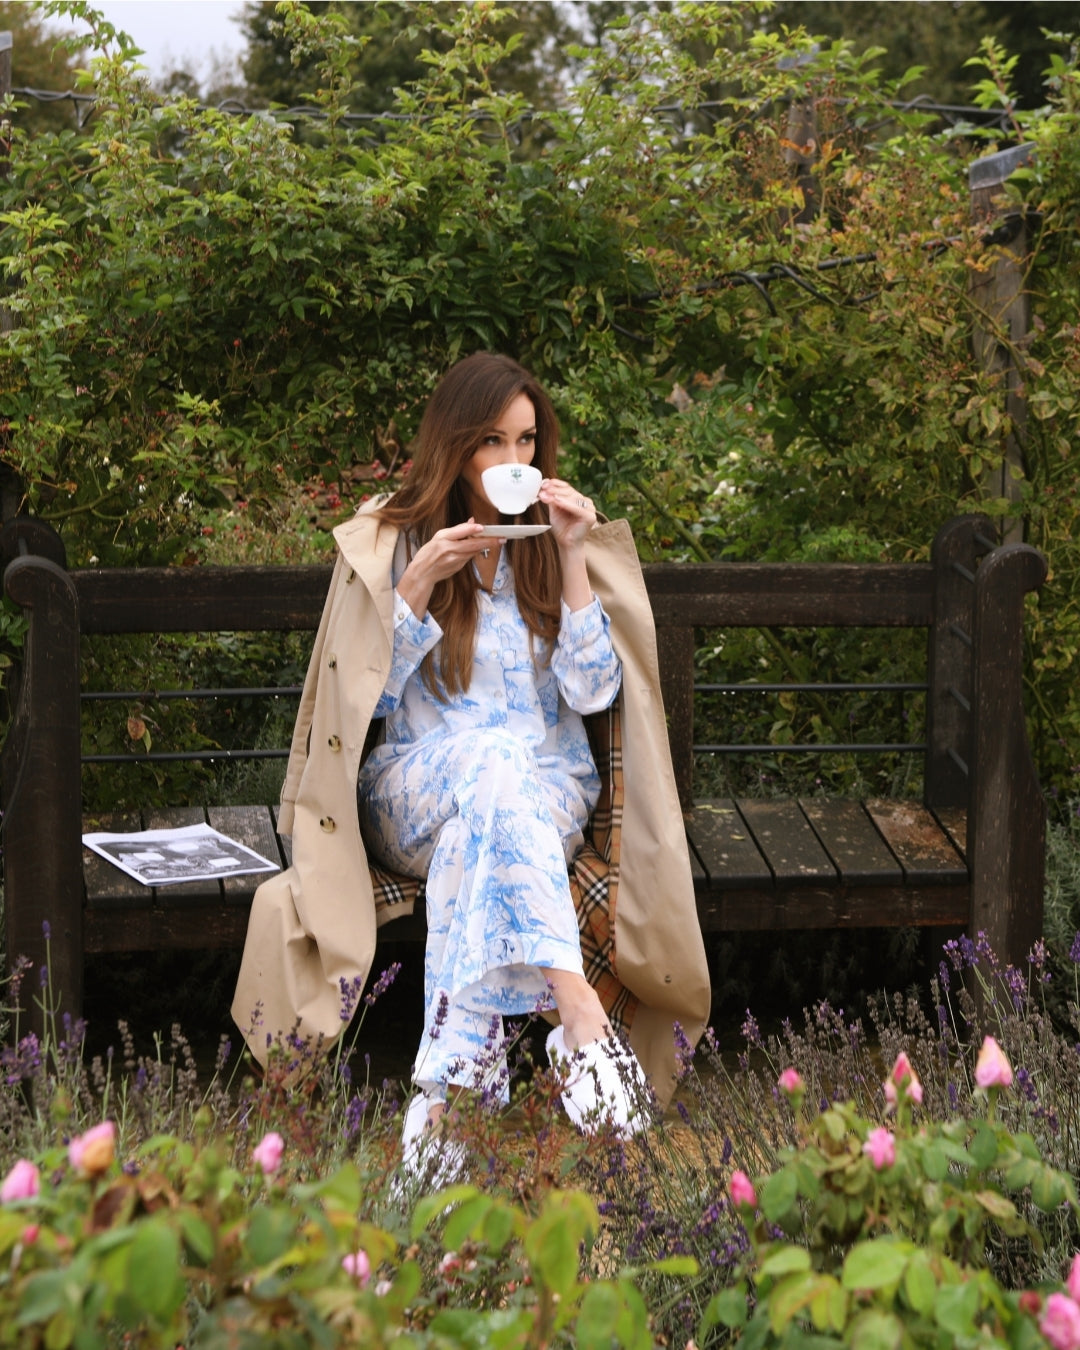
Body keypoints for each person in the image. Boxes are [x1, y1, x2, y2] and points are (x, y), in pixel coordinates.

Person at [231, 353, 711, 1173]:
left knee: (479, 828)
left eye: (526, 442)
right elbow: (364, 706)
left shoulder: (551, 544)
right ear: (454, 448)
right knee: (489, 759)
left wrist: (572, 556)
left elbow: (595, 693)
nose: (513, 460)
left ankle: (450, 1105)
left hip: (542, 795)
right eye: (492, 441)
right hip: (412, 790)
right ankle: (580, 1011)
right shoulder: (395, 542)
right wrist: (417, 584)